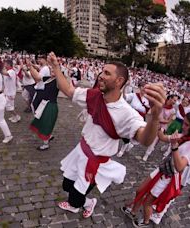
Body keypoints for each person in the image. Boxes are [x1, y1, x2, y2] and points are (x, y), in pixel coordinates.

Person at [46, 52, 166, 219]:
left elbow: (145, 139)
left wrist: (155, 115)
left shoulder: (127, 113)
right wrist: (56, 67)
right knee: (67, 185)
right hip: (80, 152)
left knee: (75, 197)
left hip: (95, 164)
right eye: (102, 71)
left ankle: (87, 203)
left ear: (119, 81)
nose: (100, 76)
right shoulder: (94, 95)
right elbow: (68, 90)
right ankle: (81, 201)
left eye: (107, 73)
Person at [124, 111, 190, 227]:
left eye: (186, 124)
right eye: (184, 123)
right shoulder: (183, 136)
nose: (183, 126)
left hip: (168, 177)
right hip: (162, 169)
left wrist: (174, 147)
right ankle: (133, 211)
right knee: (140, 190)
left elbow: (180, 167)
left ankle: (145, 222)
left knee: (148, 203)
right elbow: (163, 137)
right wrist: (159, 127)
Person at [27, 56, 59, 150]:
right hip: (45, 104)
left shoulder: (57, 81)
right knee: (40, 121)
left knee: (46, 124)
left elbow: (37, 76)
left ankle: (46, 144)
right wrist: (31, 66)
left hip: (51, 105)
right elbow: (37, 77)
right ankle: (48, 138)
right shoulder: (49, 78)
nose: (52, 71)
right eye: (51, 70)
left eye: (54, 70)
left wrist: (30, 66)